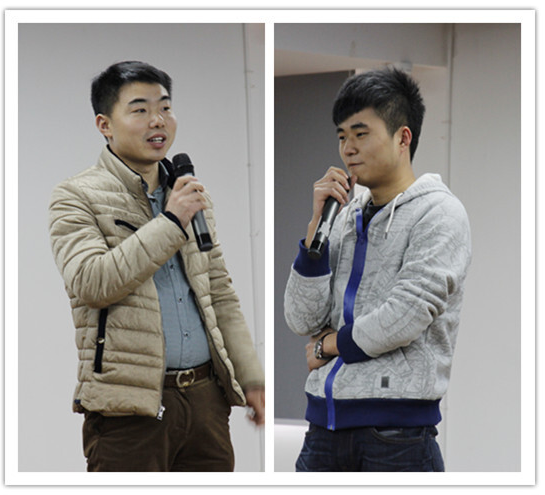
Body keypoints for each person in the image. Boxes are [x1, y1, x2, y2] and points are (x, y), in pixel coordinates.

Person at [49, 61, 265, 472]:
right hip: (129, 409)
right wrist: (170, 222)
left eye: (165, 107)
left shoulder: (189, 195)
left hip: (205, 400)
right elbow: (92, 282)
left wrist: (251, 376)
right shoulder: (76, 196)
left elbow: (219, 293)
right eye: (140, 109)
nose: (158, 120)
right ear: (104, 125)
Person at [284, 67, 471, 472]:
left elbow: (405, 315)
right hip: (322, 431)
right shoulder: (343, 216)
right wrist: (315, 229)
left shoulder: (440, 213)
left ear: (403, 138)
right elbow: (301, 318)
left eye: (361, 133)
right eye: (341, 136)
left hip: (397, 436)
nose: (348, 149)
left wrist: (328, 346)